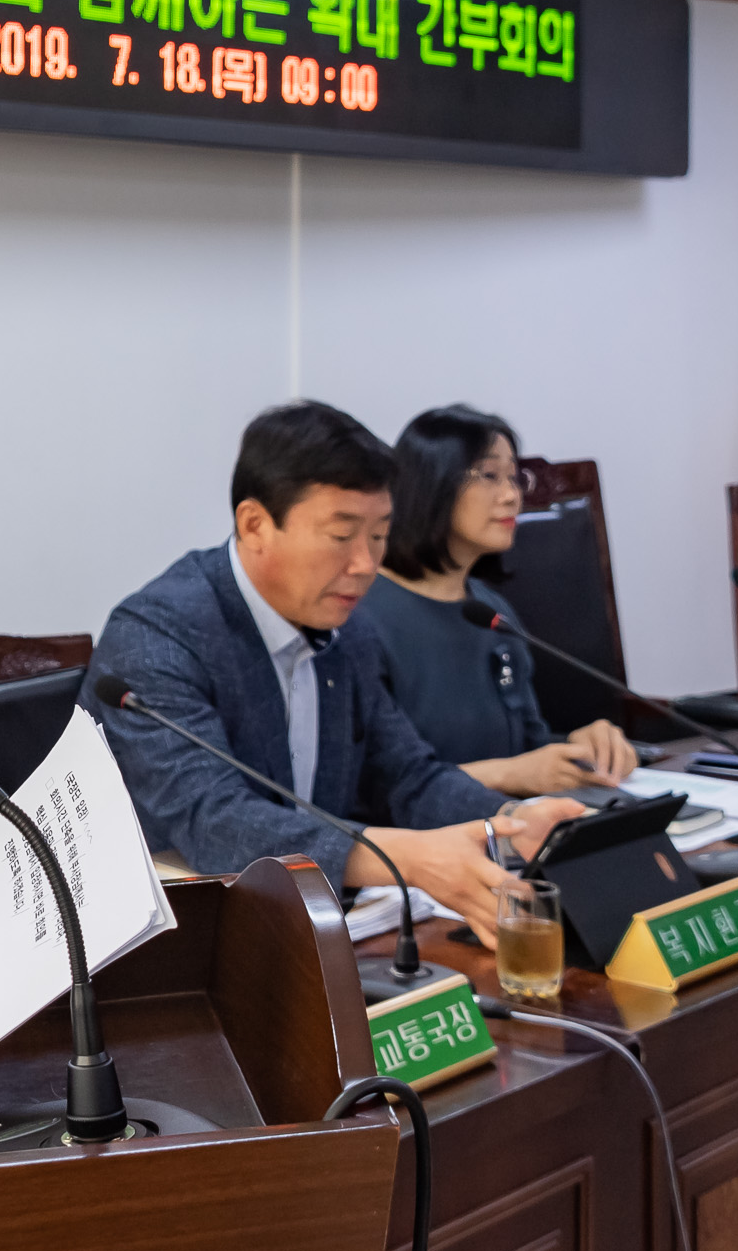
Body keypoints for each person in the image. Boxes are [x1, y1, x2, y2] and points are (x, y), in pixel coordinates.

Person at [83, 401, 581, 940]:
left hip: (310, 926)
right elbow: (217, 822)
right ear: (255, 525)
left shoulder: (349, 630)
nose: (365, 564)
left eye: (379, 535)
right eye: (342, 536)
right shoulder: (156, 636)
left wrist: (508, 822)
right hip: (168, 940)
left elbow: (407, 776)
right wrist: (405, 857)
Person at [356, 404, 637, 792]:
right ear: (431, 482)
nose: (511, 496)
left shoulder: (490, 612)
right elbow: (373, 785)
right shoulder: (360, 614)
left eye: (514, 478)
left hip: (516, 819)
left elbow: (527, 749)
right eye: (489, 476)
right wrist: (512, 774)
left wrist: (584, 750)